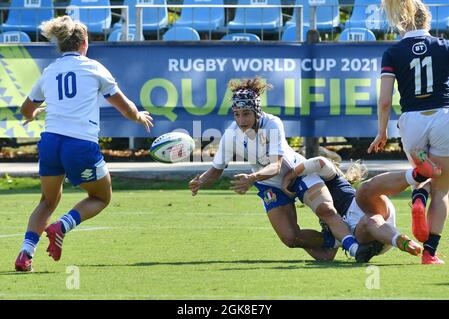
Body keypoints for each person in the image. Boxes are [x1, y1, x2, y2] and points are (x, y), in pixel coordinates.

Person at [14, 16, 153, 272]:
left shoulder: (50, 71)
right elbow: (125, 107)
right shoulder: (94, 68)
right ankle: (62, 226)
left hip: (50, 142)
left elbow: (25, 109)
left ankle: (25, 252)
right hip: (79, 144)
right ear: (84, 43)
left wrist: (33, 114)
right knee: (101, 196)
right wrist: (139, 116)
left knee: (47, 201)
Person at [189, 76, 368, 261]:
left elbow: (276, 165)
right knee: (291, 238)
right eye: (236, 114)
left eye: (246, 113)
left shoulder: (272, 124)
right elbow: (216, 170)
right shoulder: (230, 135)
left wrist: (252, 178)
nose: (241, 120)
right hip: (269, 185)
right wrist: (201, 181)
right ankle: (333, 240)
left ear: (257, 111)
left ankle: (356, 249)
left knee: (326, 210)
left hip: (298, 174)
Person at [368, 0, 449, 264]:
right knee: (443, 189)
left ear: (402, 23)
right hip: (443, 115)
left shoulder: (393, 52)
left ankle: (418, 192)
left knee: (422, 172)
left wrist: (382, 132)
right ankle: (430, 253)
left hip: (412, 119)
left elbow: (384, 100)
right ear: (427, 22)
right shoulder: (444, 46)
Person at [281, 154, 440, 262]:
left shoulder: (331, 179)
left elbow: (320, 162)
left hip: (368, 206)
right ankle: (402, 241)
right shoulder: (326, 216)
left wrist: (292, 174)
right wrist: (298, 241)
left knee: (364, 190)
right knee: (370, 221)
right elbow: (327, 255)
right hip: (367, 235)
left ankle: (417, 175)